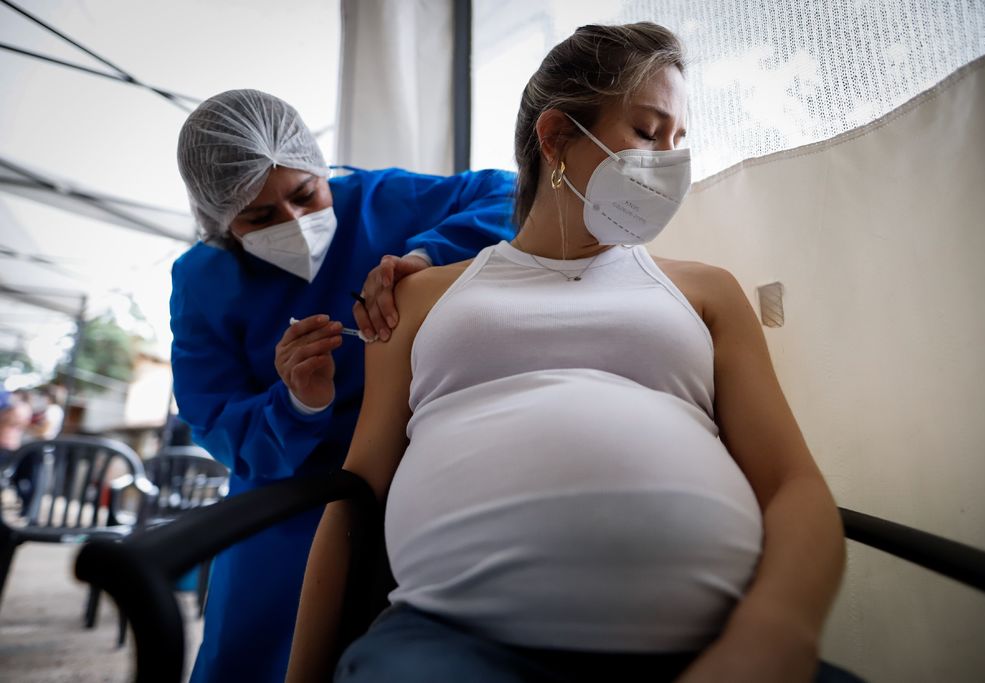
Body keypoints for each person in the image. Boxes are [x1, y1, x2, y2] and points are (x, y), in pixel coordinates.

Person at [288, 22, 858, 683]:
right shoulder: (415, 299)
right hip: (452, 647)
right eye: (648, 132)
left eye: (679, 140)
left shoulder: (706, 293)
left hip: (718, 646)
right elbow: (354, 499)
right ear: (557, 136)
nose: (670, 162)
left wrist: (777, 633)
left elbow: (793, 485)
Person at [170, 89, 516, 682]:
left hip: (415, 475)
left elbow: (512, 195)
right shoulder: (203, 281)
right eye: (260, 218)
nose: (295, 224)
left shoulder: (383, 201)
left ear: (319, 166)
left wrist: (426, 257)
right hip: (287, 501)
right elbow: (215, 420)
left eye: (306, 194)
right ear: (219, 219)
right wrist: (298, 402)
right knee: (260, 653)